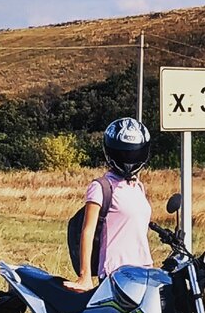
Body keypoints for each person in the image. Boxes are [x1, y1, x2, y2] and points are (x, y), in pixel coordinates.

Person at [65, 118, 154, 292]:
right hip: (115, 273)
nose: (128, 160)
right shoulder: (101, 187)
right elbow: (87, 231)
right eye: (123, 154)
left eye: (134, 153)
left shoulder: (138, 187)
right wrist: (85, 276)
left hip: (144, 271)